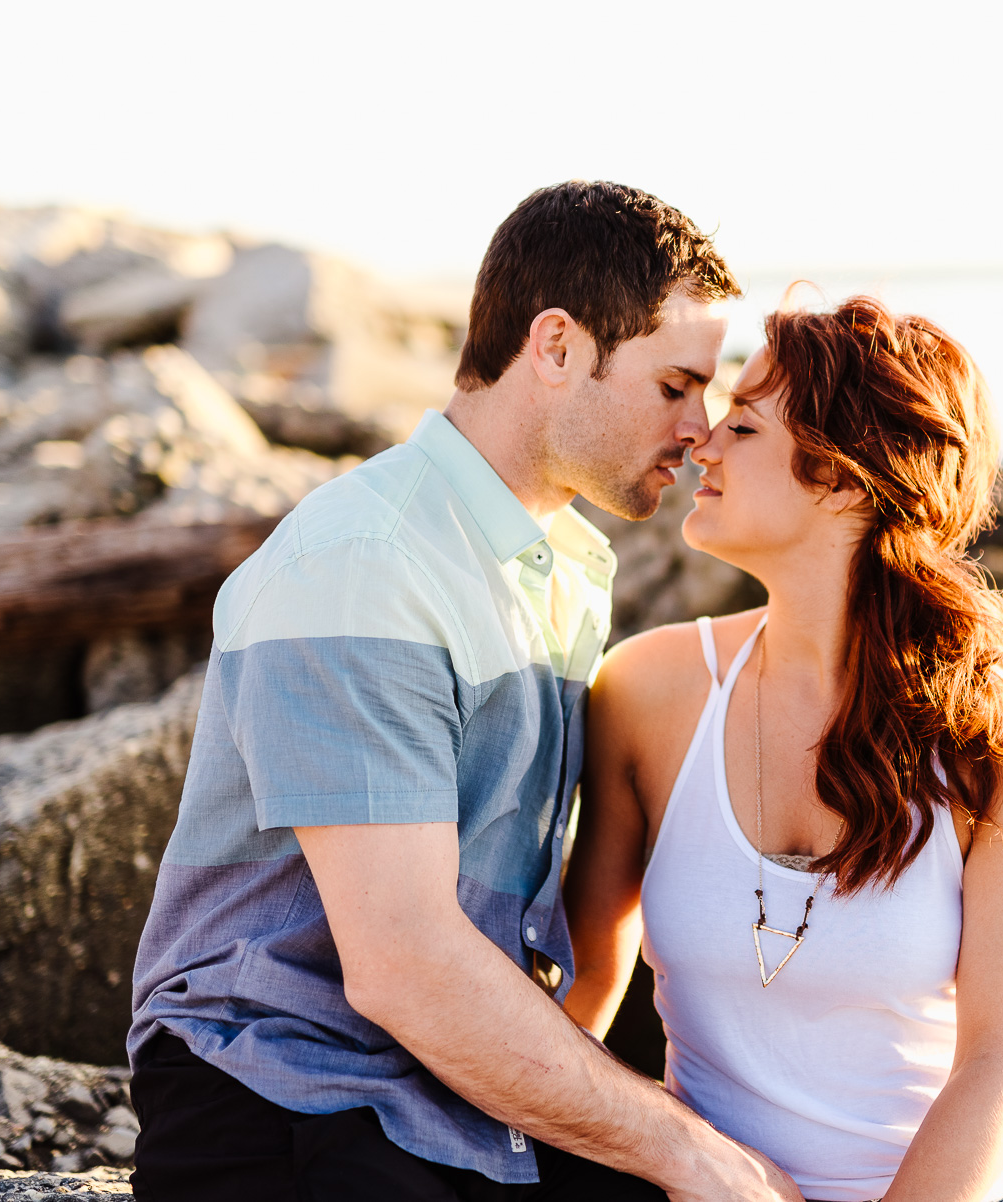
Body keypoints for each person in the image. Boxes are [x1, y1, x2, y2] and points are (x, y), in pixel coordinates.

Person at [128, 181, 801, 1202]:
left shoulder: (567, 562)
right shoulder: (366, 562)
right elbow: (402, 961)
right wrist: (679, 1143)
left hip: (454, 1089)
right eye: (675, 385)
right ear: (558, 347)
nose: (699, 431)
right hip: (281, 1091)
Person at [564, 295, 1003, 1201]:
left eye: (746, 424)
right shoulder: (645, 691)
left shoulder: (1002, 742)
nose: (703, 444)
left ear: (842, 479)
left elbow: (1000, 1064)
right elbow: (581, 997)